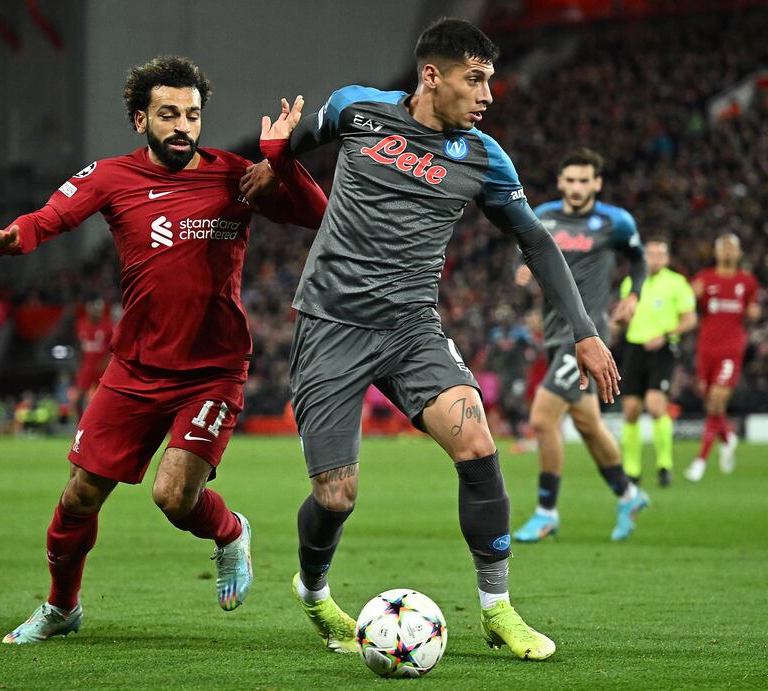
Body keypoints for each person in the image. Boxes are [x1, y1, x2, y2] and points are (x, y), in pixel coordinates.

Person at [244, 18, 620, 662]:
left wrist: (584, 332)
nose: (487, 95)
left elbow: (535, 240)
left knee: (478, 441)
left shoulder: (483, 157)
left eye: (490, 81)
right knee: (337, 496)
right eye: (474, 79)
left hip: (412, 328)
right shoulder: (355, 108)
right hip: (331, 324)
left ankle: (498, 609)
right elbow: (296, 147)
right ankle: (312, 589)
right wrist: (271, 165)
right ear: (431, 76)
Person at [0, 55, 327, 644]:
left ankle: (231, 531)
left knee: (174, 496)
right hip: (135, 367)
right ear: (141, 120)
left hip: (212, 369)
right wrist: (18, 236)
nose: (183, 126)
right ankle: (62, 608)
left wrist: (280, 160)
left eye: (192, 115)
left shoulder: (237, 174)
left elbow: (319, 214)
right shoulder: (112, 176)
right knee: (79, 496)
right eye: (168, 114)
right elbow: (54, 215)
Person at [512, 148, 649, 544]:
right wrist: (518, 272)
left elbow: (638, 261)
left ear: (597, 183)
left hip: (587, 335)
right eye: (569, 180)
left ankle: (546, 512)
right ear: (560, 182)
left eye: (583, 180)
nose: (576, 187)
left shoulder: (615, 222)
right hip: (554, 334)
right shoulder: (545, 216)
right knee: (589, 425)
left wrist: (635, 294)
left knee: (542, 420)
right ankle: (628, 494)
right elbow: (522, 252)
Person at [616, 239, 697, 486]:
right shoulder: (630, 283)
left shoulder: (677, 283)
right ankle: (632, 470)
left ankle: (664, 465)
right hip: (634, 347)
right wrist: (618, 320)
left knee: (654, 405)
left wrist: (665, 334)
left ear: (667, 258)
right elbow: (624, 316)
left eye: (660, 254)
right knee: (630, 409)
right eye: (650, 254)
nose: (655, 259)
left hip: (662, 349)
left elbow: (690, 319)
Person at [684, 233, 759, 481]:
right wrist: (690, 296)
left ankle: (701, 460)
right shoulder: (704, 279)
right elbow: (686, 305)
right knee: (710, 403)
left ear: (739, 253)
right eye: (723, 247)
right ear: (716, 253)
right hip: (706, 347)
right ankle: (727, 438)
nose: (727, 252)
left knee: (717, 400)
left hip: (731, 348)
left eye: (732, 248)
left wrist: (753, 312)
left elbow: (751, 309)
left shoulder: (747, 282)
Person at [72, 297, 113, 418]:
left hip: (102, 366)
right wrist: (79, 365)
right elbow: (79, 346)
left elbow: (115, 348)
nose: (96, 312)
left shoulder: (108, 325)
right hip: (87, 366)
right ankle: (80, 426)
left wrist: (107, 361)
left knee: (106, 398)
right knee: (78, 398)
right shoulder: (80, 324)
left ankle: (107, 424)